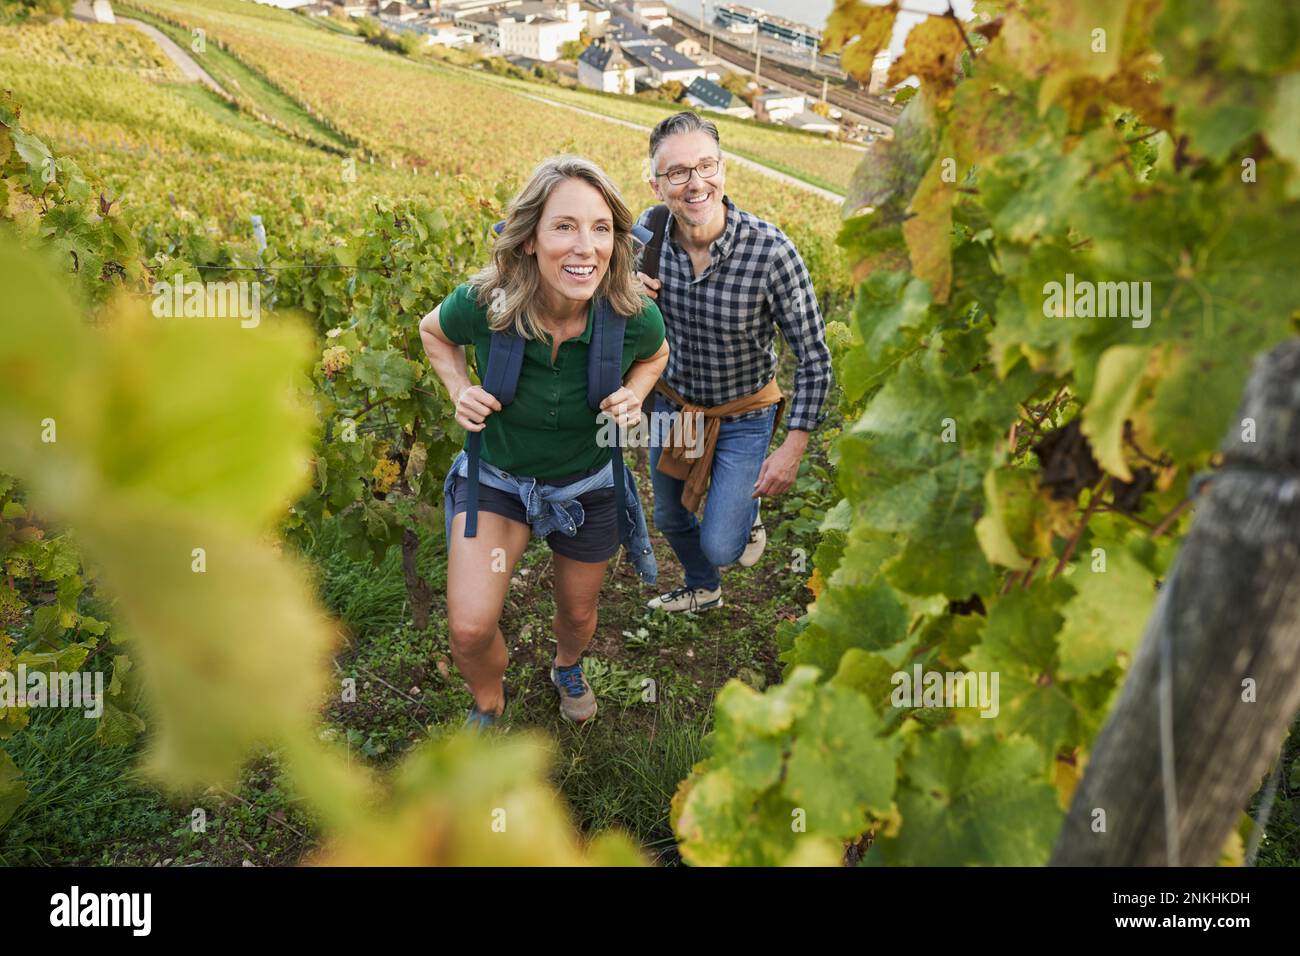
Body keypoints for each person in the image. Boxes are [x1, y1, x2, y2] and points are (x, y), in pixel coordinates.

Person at [419, 155, 669, 729]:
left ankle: (567, 666)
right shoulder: (485, 303)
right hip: (500, 478)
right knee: (470, 627)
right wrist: (459, 388)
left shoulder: (632, 315)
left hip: (586, 483)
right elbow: (433, 332)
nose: (587, 247)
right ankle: (488, 702)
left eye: (601, 228)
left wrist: (635, 390)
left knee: (578, 616)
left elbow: (656, 357)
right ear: (529, 239)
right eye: (565, 226)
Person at [635, 112, 833, 613]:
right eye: (678, 172)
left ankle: (747, 513)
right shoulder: (647, 239)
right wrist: (626, 294)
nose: (695, 183)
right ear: (657, 184)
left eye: (706, 166)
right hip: (677, 407)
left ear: (723, 168)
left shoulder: (772, 252)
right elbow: (609, 311)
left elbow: (813, 357)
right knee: (670, 518)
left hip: (745, 415)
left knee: (724, 546)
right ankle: (704, 587)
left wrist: (792, 447)